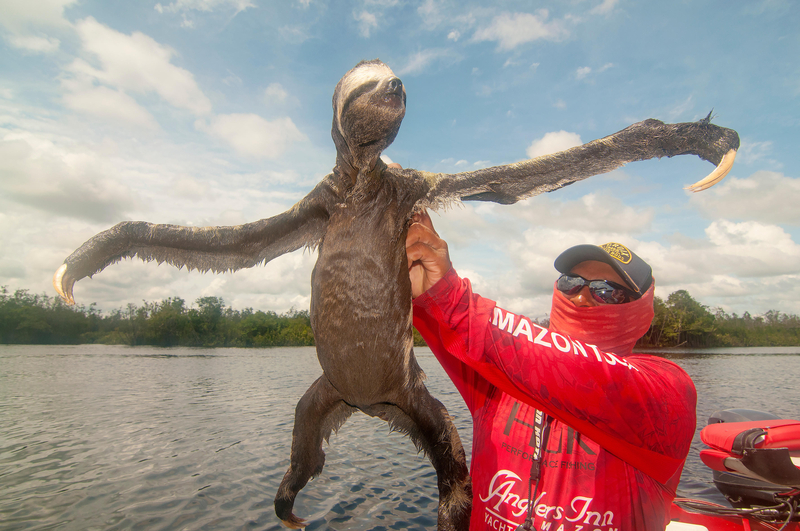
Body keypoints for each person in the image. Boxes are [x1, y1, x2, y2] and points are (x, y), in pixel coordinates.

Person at [406, 211, 697, 531]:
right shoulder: (499, 378)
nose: (582, 298)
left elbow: (584, 373)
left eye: (607, 291)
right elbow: (438, 315)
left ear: (638, 308)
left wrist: (454, 300)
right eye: (571, 283)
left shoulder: (666, 389)